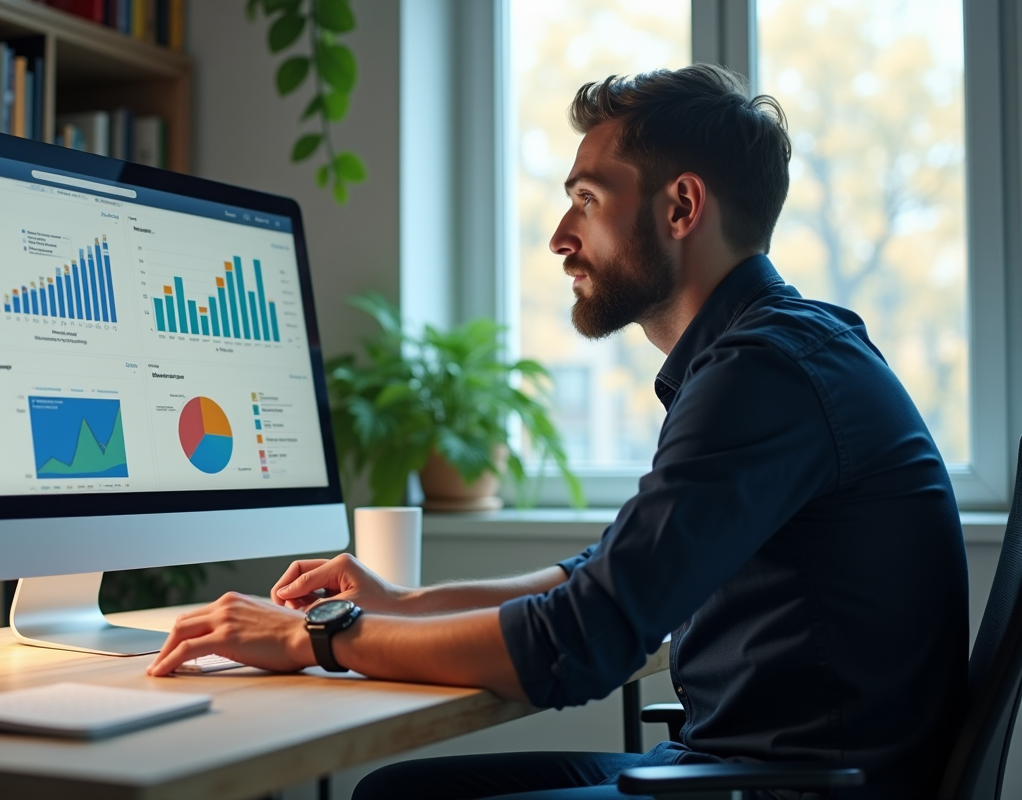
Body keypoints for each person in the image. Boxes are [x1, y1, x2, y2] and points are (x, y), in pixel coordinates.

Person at [147, 64, 968, 800]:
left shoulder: (765, 372)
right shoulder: (774, 351)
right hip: (754, 768)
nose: (559, 237)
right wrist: (407, 602)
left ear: (681, 206)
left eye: (586, 199)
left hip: (788, 789)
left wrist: (316, 639)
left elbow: (585, 639)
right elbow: (601, 577)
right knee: (406, 793)